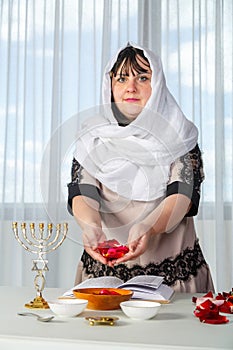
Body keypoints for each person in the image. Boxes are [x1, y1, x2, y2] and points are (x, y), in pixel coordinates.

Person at [67, 43, 215, 293]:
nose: (130, 88)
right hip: (105, 280)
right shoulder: (92, 136)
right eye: (121, 78)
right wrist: (90, 227)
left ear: (157, 86)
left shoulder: (181, 135)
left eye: (143, 77)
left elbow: (182, 196)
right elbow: (84, 192)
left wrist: (148, 226)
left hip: (173, 282)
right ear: (110, 86)